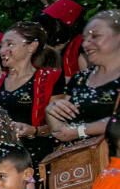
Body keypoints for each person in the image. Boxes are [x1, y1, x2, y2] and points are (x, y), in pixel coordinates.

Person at [0, 22, 64, 169]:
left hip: (36, 160)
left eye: (10, 44)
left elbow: (59, 128)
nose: (2, 50)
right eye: (1, 45)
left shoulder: (50, 79)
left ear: (31, 47)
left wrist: (34, 130)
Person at [46, 10, 120, 143]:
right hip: (85, 160)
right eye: (85, 39)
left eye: (95, 36)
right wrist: (51, 112)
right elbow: (62, 132)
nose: (85, 44)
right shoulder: (80, 78)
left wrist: (80, 131)